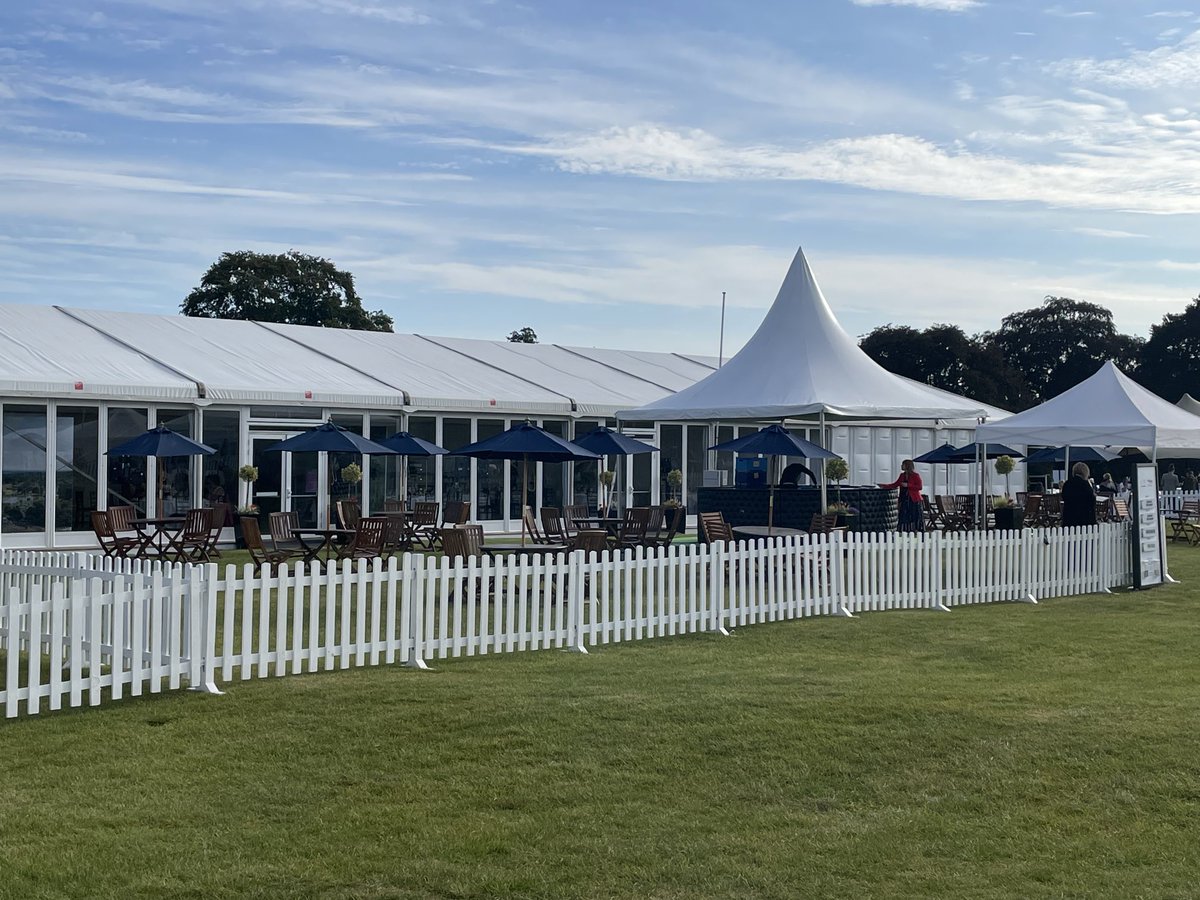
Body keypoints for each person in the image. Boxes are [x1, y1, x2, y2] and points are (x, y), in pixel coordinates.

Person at [879, 459, 924, 532]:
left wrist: (908, 485)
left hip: (914, 499)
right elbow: (895, 484)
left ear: (907, 466)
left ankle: (916, 529)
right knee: (904, 515)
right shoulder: (902, 475)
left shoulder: (915, 475)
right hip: (904, 498)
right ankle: (906, 530)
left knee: (915, 515)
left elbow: (919, 487)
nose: (901, 466)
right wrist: (884, 486)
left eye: (903, 464)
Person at [1062, 461, 1097, 527]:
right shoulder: (1085, 484)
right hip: (1084, 517)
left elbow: (1064, 496)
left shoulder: (1067, 483)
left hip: (1069, 516)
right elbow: (1091, 500)